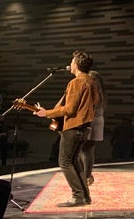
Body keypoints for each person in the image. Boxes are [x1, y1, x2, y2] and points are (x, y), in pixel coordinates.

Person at [33, 50, 99, 207]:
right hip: (84, 127)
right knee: (74, 161)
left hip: (73, 127)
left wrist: (46, 113)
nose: (70, 64)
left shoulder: (76, 82)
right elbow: (96, 102)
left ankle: (77, 196)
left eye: (72, 61)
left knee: (64, 162)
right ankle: (85, 197)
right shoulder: (91, 81)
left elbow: (69, 109)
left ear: (76, 64)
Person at [79, 70, 107, 186]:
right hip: (98, 121)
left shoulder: (93, 92)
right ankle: (87, 175)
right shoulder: (101, 92)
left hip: (90, 121)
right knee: (88, 151)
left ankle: (86, 176)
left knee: (83, 150)